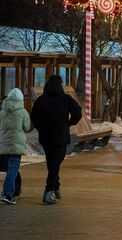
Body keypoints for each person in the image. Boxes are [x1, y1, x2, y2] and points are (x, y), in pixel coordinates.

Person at [31, 75, 82, 205]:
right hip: (61, 136)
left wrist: (41, 127)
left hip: (46, 137)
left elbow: (34, 117)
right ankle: (49, 191)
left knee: (52, 163)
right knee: (55, 164)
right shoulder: (65, 99)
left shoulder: (41, 100)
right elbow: (77, 112)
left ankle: (56, 187)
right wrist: (69, 123)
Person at [0, 88, 32, 205]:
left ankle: (15, 190)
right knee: (12, 170)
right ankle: (7, 194)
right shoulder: (23, 112)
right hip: (16, 146)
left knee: (11, 169)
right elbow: (27, 127)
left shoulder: (2, 112)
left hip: (4, 144)